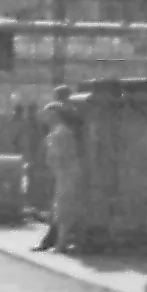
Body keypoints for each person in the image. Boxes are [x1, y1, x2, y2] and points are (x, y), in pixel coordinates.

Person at [38, 105, 87, 255]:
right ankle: (59, 242)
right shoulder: (60, 132)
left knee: (64, 209)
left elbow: (61, 156)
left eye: (48, 115)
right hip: (64, 174)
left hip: (66, 174)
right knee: (61, 208)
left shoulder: (60, 133)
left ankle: (62, 243)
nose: (45, 118)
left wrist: (54, 165)